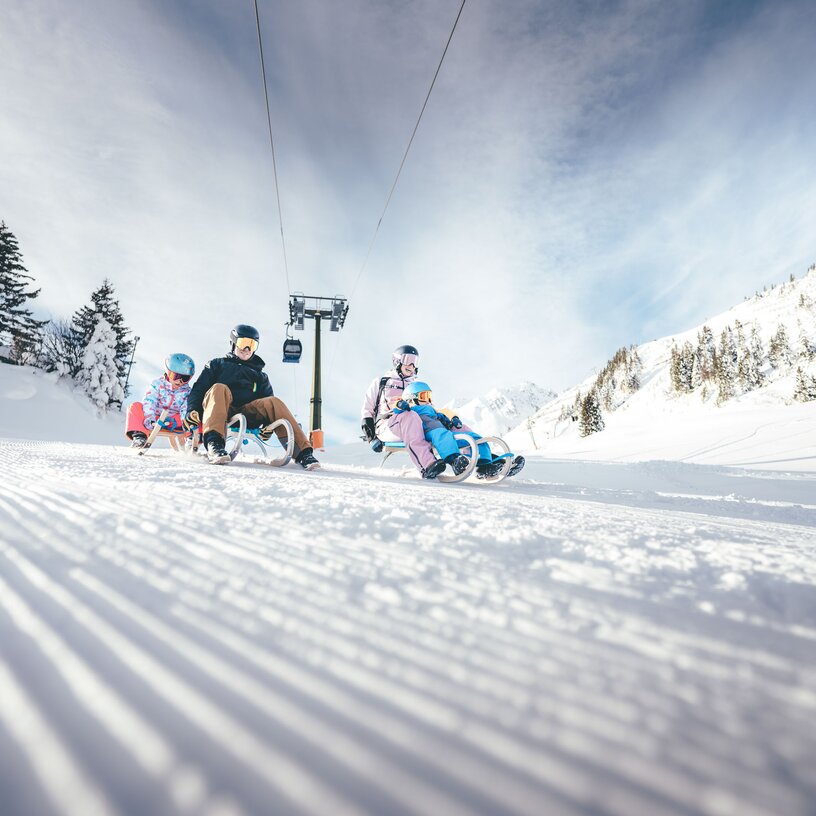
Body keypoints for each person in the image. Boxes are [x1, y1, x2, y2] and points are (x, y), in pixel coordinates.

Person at [183, 324, 319, 468]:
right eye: (243, 343)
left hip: (247, 414)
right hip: (220, 409)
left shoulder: (260, 375)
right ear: (233, 343)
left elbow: (267, 404)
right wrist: (192, 410)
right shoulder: (217, 364)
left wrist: (268, 426)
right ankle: (214, 444)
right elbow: (199, 390)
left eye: (252, 345)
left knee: (274, 401)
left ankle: (304, 454)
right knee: (219, 388)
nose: (247, 349)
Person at [396, 381, 521, 478]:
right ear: (411, 398)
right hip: (430, 433)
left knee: (474, 437)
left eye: (429, 396)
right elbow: (397, 412)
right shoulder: (410, 411)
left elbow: (441, 416)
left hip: (446, 434)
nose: (428, 400)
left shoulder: (432, 410)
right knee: (442, 434)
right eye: (424, 396)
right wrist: (401, 406)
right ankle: (454, 460)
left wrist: (450, 421)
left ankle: (485, 464)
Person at [361, 345, 447, 479]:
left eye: (415, 361)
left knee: (445, 422)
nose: (412, 365)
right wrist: (371, 438)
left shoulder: (416, 385)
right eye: (408, 360)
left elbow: (429, 407)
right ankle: (427, 465)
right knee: (409, 416)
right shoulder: (381, 382)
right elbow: (367, 410)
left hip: (417, 424)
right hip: (388, 426)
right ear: (397, 361)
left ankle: (478, 460)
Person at [125, 353, 195, 448]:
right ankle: (139, 437)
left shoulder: (187, 392)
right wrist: (150, 418)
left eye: (185, 378)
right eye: (176, 377)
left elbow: (185, 409)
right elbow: (150, 401)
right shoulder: (157, 384)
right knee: (135, 406)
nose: (180, 381)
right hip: (154, 418)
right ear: (167, 372)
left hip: (174, 421)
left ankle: (191, 440)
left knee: (194, 413)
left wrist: (187, 428)